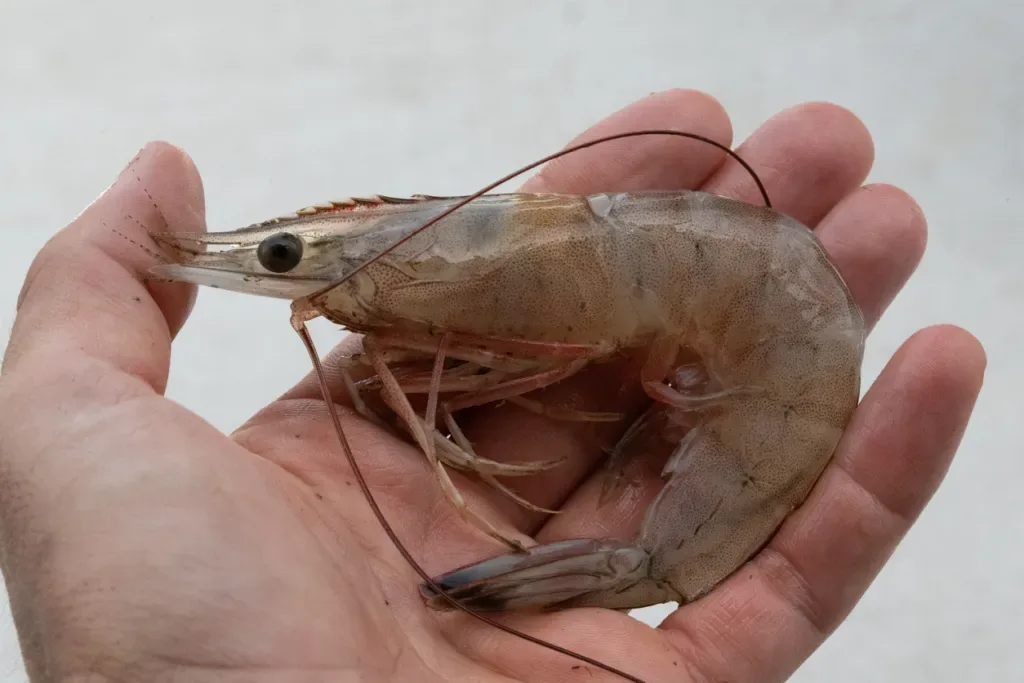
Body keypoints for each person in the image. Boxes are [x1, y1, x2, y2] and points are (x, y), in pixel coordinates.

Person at [0, 90, 984, 682]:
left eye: (289, 256)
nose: (287, 272)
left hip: (770, 332)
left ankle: (632, 561)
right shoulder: (415, 262)